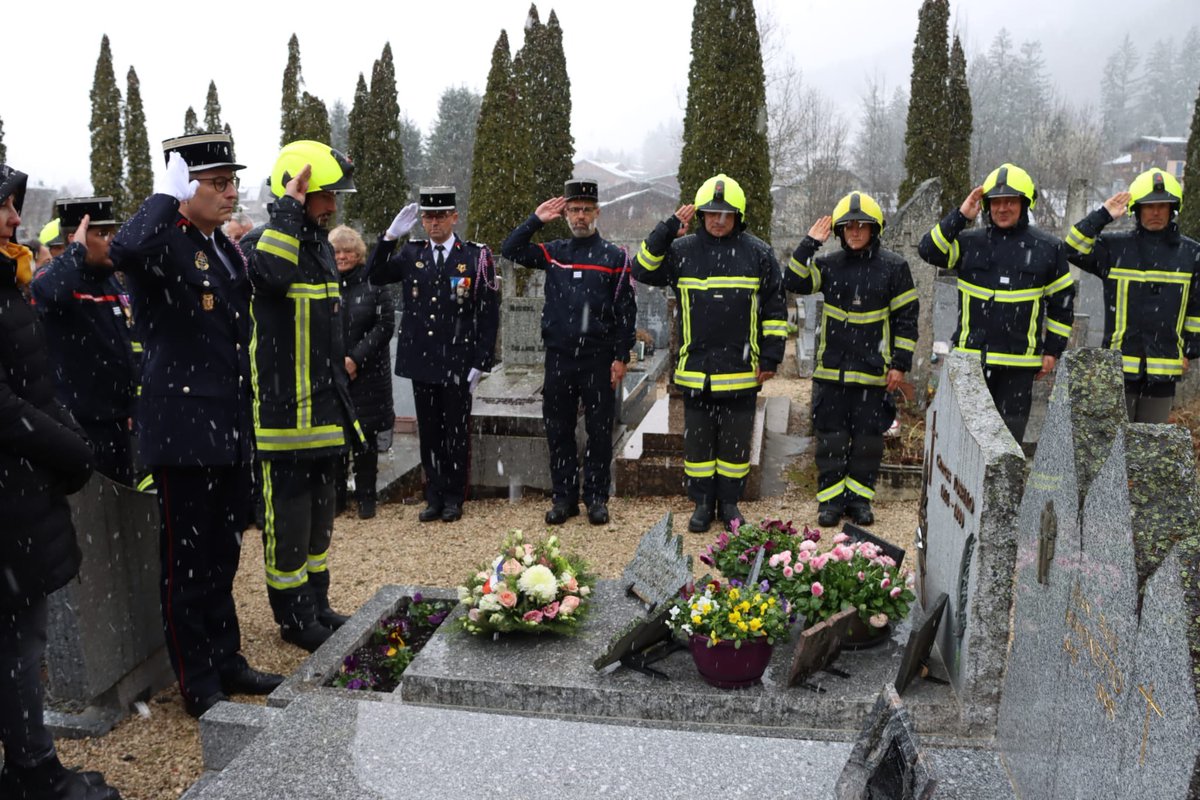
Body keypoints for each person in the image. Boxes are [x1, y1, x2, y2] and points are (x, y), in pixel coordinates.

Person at [110, 133, 283, 719]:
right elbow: (125, 249)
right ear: (186, 189)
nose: (230, 192)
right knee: (186, 566)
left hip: (227, 426)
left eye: (232, 181)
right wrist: (162, 195)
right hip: (184, 431)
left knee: (223, 555)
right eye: (216, 183)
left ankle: (227, 656)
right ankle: (197, 679)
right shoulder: (163, 244)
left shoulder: (224, 248)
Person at [0, 163, 122, 800]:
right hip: (10, 498)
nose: (17, 219)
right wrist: (69, 448)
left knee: (22, 641)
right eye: (5, 207)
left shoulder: (6, 283)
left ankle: (28, 765)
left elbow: (32, 383)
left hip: (22, 492)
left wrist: (66, 435)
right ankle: (34, 774)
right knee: (19, 648)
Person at [240, 140, 359, 651]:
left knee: (318, 524)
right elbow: (269, 279)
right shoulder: (265, 243)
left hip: (323, 415)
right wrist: (288, 207)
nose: (332, 205)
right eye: (324, 194)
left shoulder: (317, 248)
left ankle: (318, 603)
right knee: (286, 527)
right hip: (282, 419)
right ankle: (293, 620)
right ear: (299, 189)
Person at [631, 174, 788, 533]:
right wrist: (668, 229)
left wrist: (771, 357)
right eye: (712, 213)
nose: (719, 220)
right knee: (699, 446)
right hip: (695, 370)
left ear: (739, 216)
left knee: (734, 446)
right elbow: (641, 268)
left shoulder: (758, 253)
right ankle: (702, 503)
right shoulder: (681, 251)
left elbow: (775, 308)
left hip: (740, 369)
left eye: (727, 214)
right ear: (701, 214)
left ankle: (730, 503)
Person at [502, 179, 636, 526]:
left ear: (597, 213)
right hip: (560, 357)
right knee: (558, 430)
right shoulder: (555, 252)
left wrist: (621, 356)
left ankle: (595, 498)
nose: (580, 216)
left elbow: (625, 310)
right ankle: (564, 498)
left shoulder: (614, 256)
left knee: (599, 431)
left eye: (586, 210)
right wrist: (536, 220)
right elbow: (511, 249)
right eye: (574, 210)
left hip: (598, 358)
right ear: (566, 214)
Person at [785, 192, 918, 527]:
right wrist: (809, 244)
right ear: (840, 231)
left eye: (862, 226)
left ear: (875, 229)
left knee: (867, 443)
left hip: (873, 375)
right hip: (832, 373)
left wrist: (900, 363)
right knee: (831, 440)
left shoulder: (895, 268)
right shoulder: (828, 265)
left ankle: (859, 501)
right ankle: (830, 503)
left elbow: (906, 318)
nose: (855, 231)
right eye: (848, 226)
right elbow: (794, 281)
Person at [368, 187, 499, 523]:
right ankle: (434, 495)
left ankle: (454, 496)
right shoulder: (412, 254)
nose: (434, 222)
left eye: (441, 215)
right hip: (423, 359)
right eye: (428, 216)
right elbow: (376, 274)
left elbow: (486, 313)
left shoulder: (474, 257)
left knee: (455, 431)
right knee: (429, 432)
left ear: (455, 217)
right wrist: (388, 237)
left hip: (458, 359)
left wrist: (480, 362)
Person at [918, 163, 1074, 443]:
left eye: (1010, 202)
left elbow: (1062, 304)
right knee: (964, 446)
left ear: (1025, 204)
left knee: (1008, 445)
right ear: (987, 206)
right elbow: (928, 250)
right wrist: (960, 216)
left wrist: (1053, 350)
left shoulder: (1048, 248)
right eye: (996, 202)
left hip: (1019, 367)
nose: (1002, 208)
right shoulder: (968, 242)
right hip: (970, 362)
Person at [1064, 168, 1200, 423]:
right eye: (1149, 206)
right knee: (1115, 445)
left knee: (1150, 447)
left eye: (1163, 205)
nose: (1157, 212)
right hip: (1118, 368)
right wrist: (1102, 216)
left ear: (1173, 209)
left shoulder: (1191, 253)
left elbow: (1196, 307)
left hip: (1164, 369)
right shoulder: (1114, 248)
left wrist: (1190, 349)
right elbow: (1071, 247)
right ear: (1136, 209)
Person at [31, 196, 139, 485]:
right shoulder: (56, 278)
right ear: (74, 239)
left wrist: (132, 404)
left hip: (116, 420)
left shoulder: (109, 280)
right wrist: (75, 251)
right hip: (79, 422)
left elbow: (124, 347)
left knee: (121, 505)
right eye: (101, 234)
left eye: (112, 232)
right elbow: (50, 291)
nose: (111, 241)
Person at [332, 224, 395, 520]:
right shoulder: (324, 282)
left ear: (358, 255)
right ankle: (336, 498)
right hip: (334, 373)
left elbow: (384, 326)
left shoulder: (374, 282)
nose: (342, 257)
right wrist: (336, 361)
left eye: (348, 251)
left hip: (367, 375)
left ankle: (366, 498)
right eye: (336, 252)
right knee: (335, 439)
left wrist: (355, 359)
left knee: (365, 440)